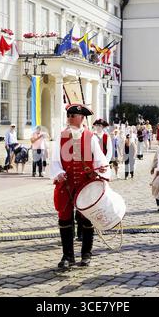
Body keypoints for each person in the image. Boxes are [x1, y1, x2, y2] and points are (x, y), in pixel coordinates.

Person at [51, 103, 110, 269]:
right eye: (68, 115)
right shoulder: (61, 136)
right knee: (65, 219)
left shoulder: (91, 137)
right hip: (66, 184)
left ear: (82, 118)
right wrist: (58, 173)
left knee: (87, 218)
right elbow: (55, 160)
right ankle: (67, 256)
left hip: (85, 185)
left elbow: (100, 160)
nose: (69, 118)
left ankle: (86, 254)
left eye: (73, 116)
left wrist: (102, 171)